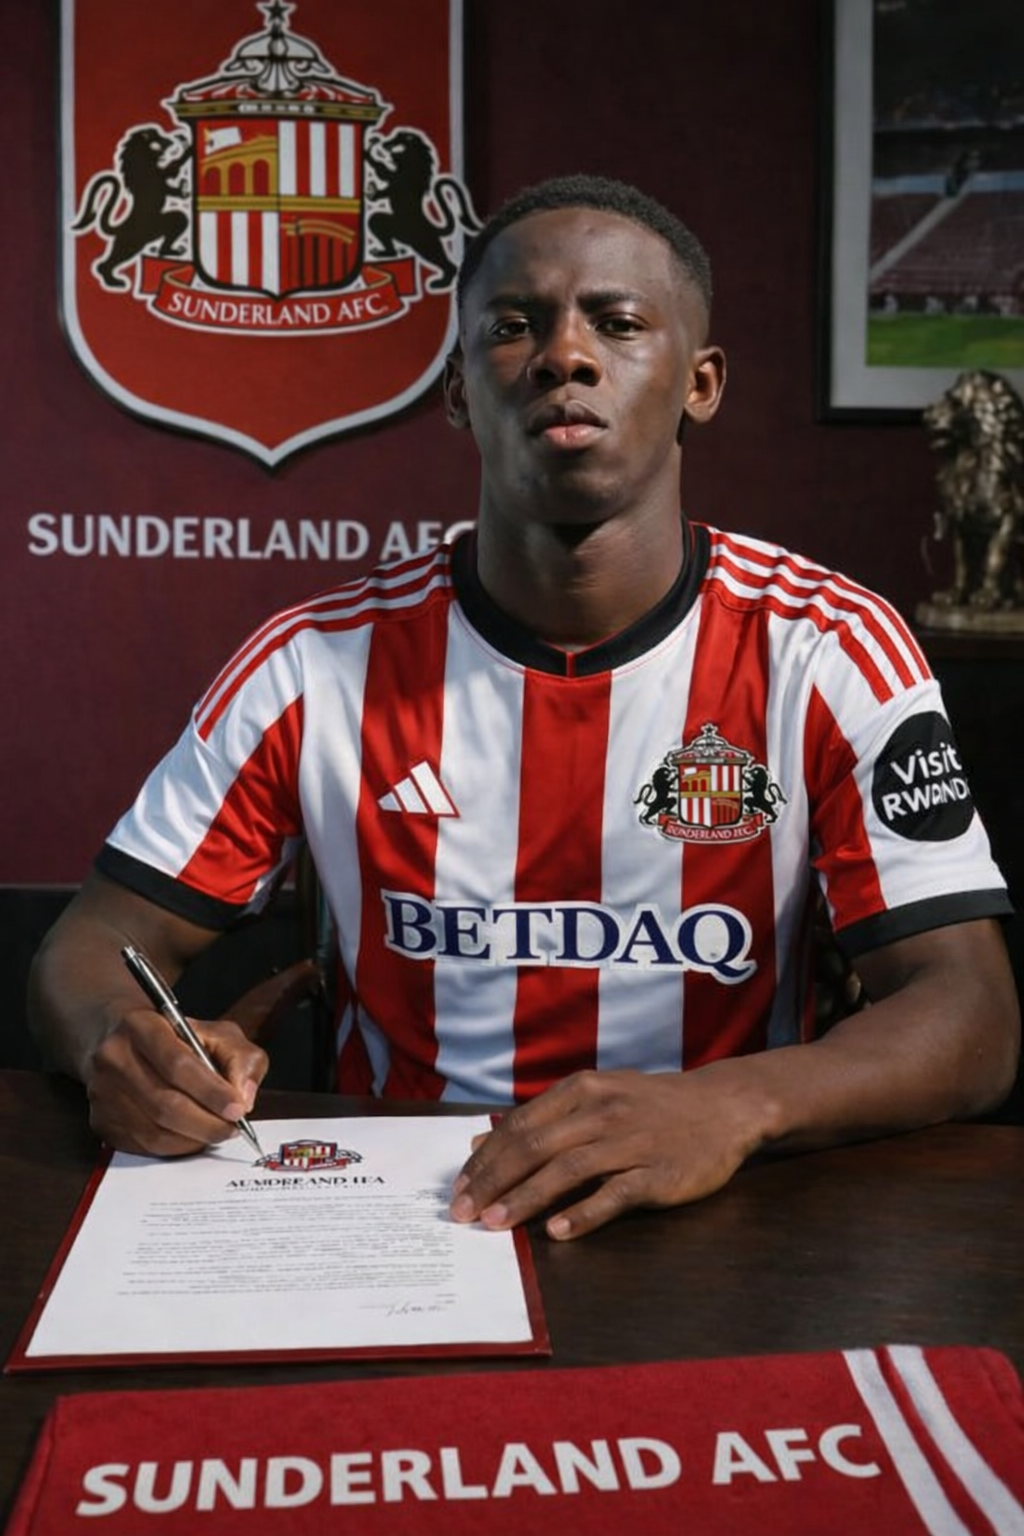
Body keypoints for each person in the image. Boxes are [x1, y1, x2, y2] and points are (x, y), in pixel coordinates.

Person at [29, 173, 1020, 1242]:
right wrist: (121, 1045)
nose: (564, 356)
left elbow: (969, 1012)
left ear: (700, 382)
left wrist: (732, 1105)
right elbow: (89, 947)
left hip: (728, 1214)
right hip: (404, 1218)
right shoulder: (311, 665)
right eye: (513, 327)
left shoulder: (827, 649)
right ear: (459, 389)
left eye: (617, 323)